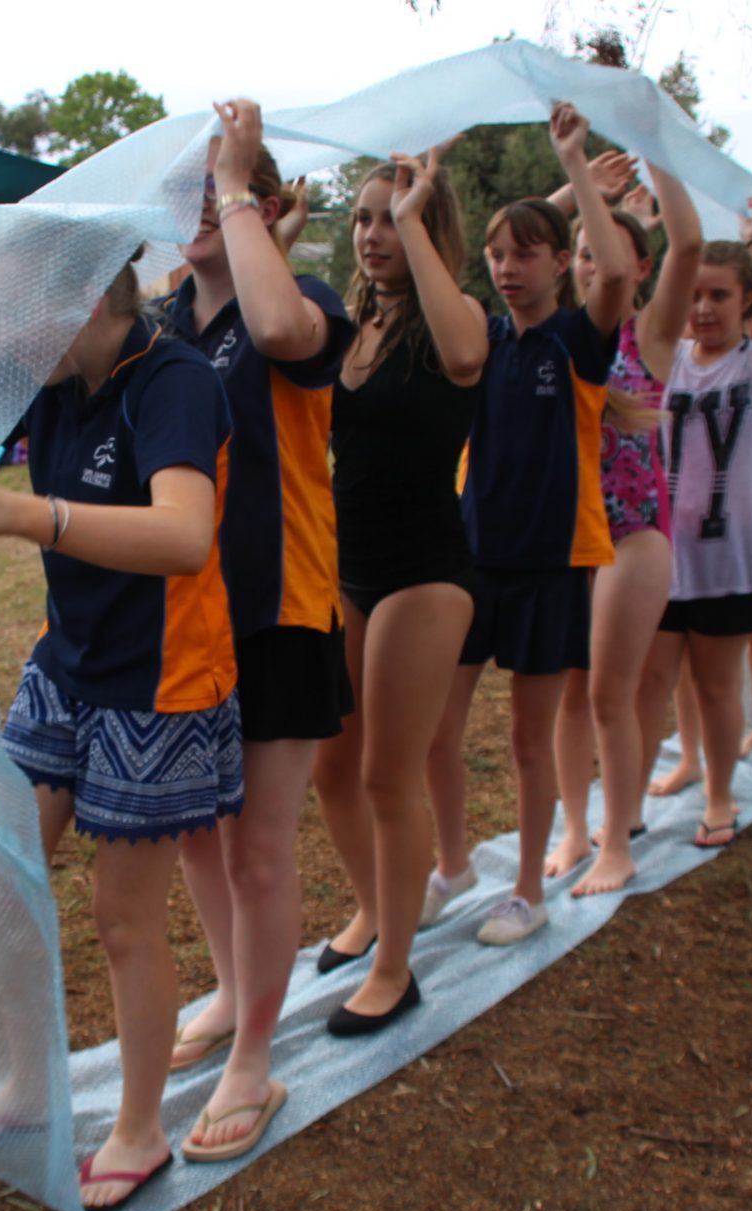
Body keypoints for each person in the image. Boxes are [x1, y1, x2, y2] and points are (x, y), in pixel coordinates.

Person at [0, 253, 242, 1211]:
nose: (5, 344)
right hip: (69, 665)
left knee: (124, 921)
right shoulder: (54, 376)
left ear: (86, 298)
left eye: (18, 319)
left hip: (160, 682)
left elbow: (184, 537)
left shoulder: (173, 382)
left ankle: (140, 1130)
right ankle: (31, 1086)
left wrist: (28, 516)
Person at [161, 100, 354, 1154]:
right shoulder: (156, 322)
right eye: (188, 189)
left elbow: (279, 331)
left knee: (259, 853)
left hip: (280, 611)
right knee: (195, 828)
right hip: (185, 619)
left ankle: (254, 1061)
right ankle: (232, 989)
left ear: (260, 204)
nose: (199, 205)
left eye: (219, 188)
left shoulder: (303, 298)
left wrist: (239, 184)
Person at [423, 102, 633, 944]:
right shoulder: (484, 338)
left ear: (559, 262)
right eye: (497, 255)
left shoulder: (577, 344)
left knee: (527, 738)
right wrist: (534, 215)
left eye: (526, 254)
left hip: (550, 563)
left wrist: (574, 170)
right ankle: (450, 864)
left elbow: (614, 275)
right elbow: (499, 268)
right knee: (438, 727)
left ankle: (527, 892)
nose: (507, 268)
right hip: (473, 561)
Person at [308, 147, 487, 1034]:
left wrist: (416, 220)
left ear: (424, 221)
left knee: (387, 773)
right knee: (331, 767)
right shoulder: (351, 327)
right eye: (365, 218)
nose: (374, 234)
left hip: (426, 573)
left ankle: (394, 968)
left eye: (392, 216)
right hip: (350, 571)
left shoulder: (457, 320)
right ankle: (379, 906)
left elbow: (463, 359)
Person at [543, 165, 702, 895]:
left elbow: (692, 244)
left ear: (637, 266)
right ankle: (576, 828)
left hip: (634, 538)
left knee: (610, 694)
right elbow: (521, 236)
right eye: (577, 250)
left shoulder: (653, 334)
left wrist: (650, 137)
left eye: (598, 251)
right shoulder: (554, 338)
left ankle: (620, 841)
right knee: (568, 695)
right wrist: (577, 186)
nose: (585, 262)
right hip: (567, 540)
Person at [636, 210, 752, 846]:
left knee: (715, 684)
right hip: (662, 559)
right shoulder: (665, 359)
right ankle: (672, 770)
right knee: (656, 681)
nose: (703, 308)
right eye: (696, 294)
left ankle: (719, 798)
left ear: (747, 301)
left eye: (720, 295)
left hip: (732, 559)